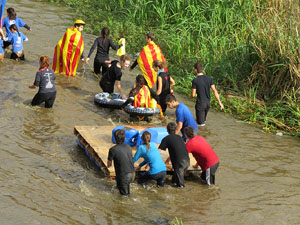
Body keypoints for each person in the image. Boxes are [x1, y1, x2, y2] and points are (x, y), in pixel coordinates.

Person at [159, 122, 190, 188]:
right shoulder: (180, 138)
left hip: (180, 164)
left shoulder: (166, 139)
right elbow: (177, 150)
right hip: (187, 161)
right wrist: (168, 161)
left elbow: (158, 151)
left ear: (167, 130)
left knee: (181, 186)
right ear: (176, 129)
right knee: (174, 181)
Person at [107, 129, 135, 196]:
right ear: (124, 138)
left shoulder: (112, 149)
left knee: (125, 197)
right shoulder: (128, 147)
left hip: (124, 176)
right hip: (132, 174)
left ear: (115, 138)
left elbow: (109, 164)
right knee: (120, 186)